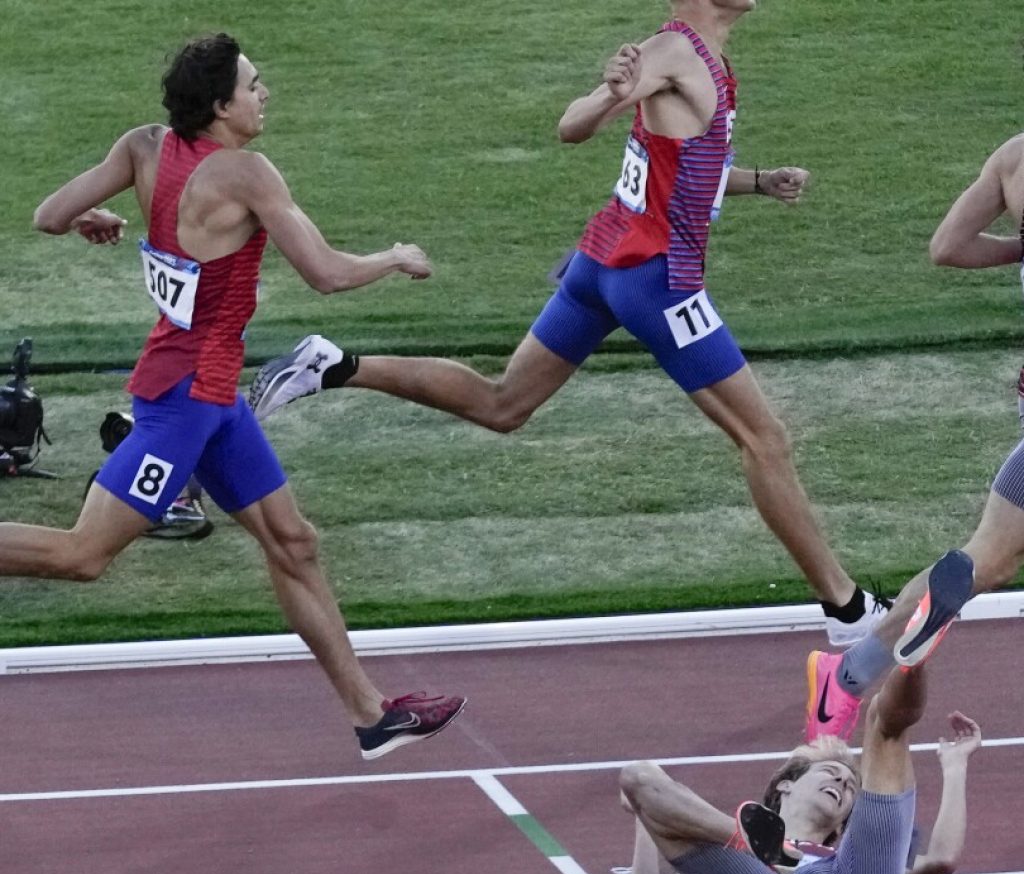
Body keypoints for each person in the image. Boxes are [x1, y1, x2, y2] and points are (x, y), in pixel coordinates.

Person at [247, 0, 887, 647]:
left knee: (504, 404)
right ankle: (847, 609)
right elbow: (572, 126)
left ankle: (335, 364)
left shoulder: (699, 56)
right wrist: (608, 94)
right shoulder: (672, 52)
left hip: (601, 263)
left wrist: (758, 180)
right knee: (764, 439)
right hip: (656, 279)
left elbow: (682, 164)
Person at [7, 33, 465, 760]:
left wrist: (90, 217)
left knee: (296, 543)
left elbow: (47, 215)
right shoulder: (248, 175)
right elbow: (326, 274)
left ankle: (371, 714)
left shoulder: (144, 147)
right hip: (183, 401)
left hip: (212, 396)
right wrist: (394, 256)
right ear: (220, 107)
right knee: (83, 555)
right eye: (253, 85)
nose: (265, 94)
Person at [807, 127, 1024, 735]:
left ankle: (846, 677)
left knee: (988, 561)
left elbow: (948, 246)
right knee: (987, 560)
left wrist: (1020, 247)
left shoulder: (1013, 157)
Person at [619, 661, 982, 874]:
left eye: (850, 786)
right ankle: (753, 843)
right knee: (640, 776)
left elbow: (941, 860)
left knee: (884, 726)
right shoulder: (728, 865)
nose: (842, 780)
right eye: (829, 771)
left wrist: (956, 766)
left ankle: (916, 657)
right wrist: (646, 819)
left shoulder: (846, 855)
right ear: (785, 786)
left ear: (841, 826)